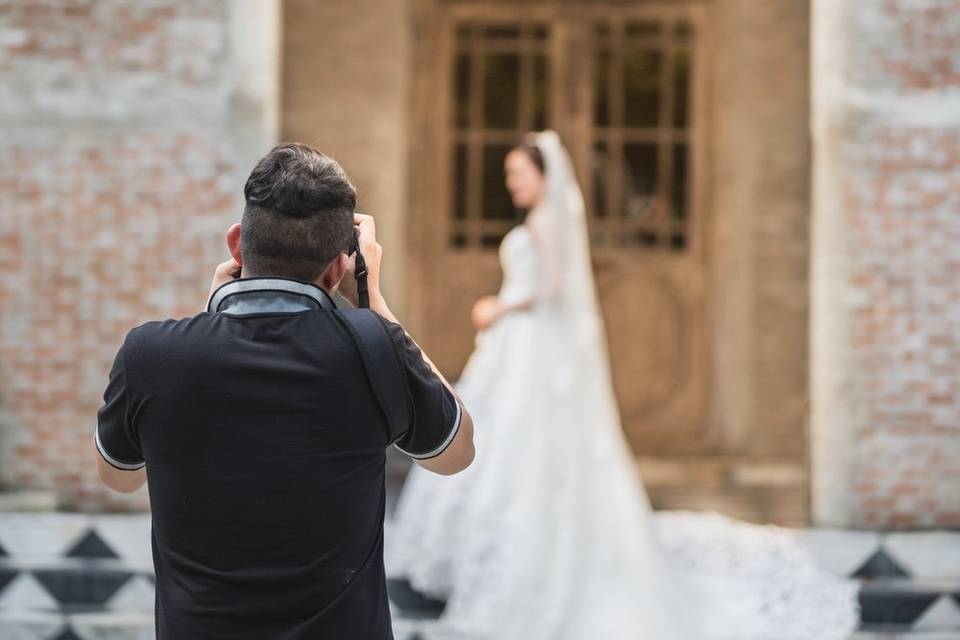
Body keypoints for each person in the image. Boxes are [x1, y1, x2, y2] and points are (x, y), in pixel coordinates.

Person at [388, 131, 859, 640]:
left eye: (519, 174)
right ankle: (494, 557)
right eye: (510, 175)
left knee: (521, 448)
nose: (512, 184)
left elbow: (550, 290)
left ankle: (531, 563)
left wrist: (497, 307)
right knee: (510, 447)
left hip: (528, 338)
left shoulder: (546, 224)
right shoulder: (543, 221)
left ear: (544, 176)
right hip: (521, 346)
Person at [94, 142, 475, 639]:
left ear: (237, 245)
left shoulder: (151, 354)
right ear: (340, 267)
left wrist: (215, 317)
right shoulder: (374, 348)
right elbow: (456, 452)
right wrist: (374, 300)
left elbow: (117, 478)